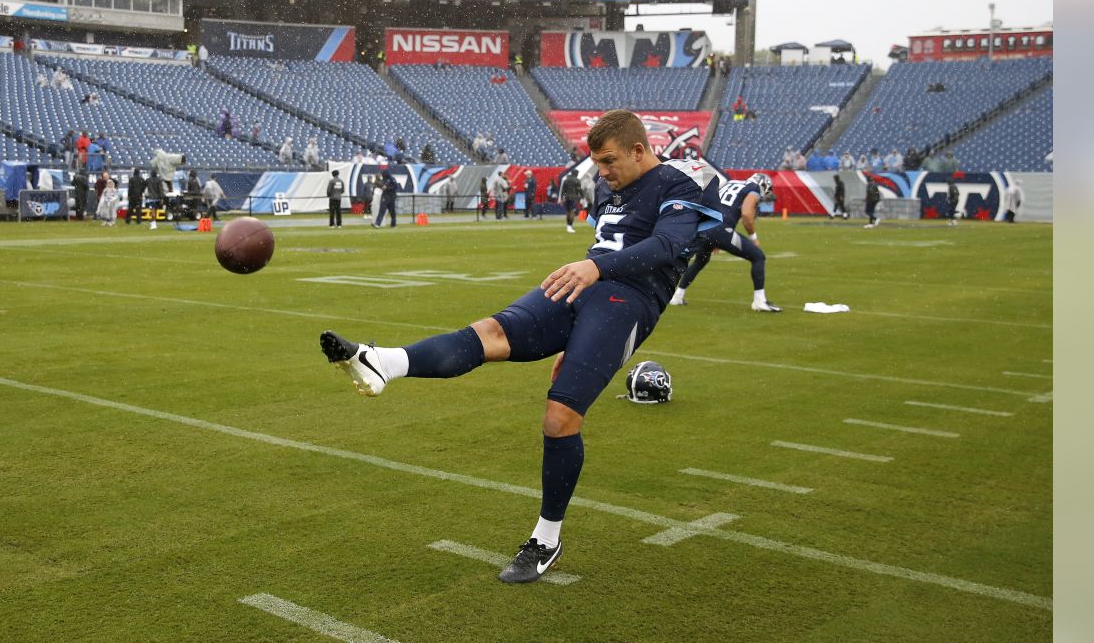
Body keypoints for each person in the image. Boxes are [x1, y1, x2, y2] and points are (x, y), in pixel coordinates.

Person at [318, 110, 719, 584]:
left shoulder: (678, 182)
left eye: (610, 161)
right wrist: (588, 280)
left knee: (559, 418)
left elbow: (670, 246)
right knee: (490, 332)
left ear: (639, 149)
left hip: (624, 299)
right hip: (582, 283)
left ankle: (546, 539)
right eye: (597, 164)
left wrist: (596, 274)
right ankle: (381, 361)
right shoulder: (610, 189)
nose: (603, 172)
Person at [669, 173, 781, 312]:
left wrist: (712, 233)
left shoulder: (731, 183)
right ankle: (760, 301)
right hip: (720, 229)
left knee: (700, 261)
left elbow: (713, 203)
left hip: (705, 225)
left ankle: (677, 296)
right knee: (758, 256)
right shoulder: (753, 188)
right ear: (763, 184)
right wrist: (753, 237)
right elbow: (746, 214)